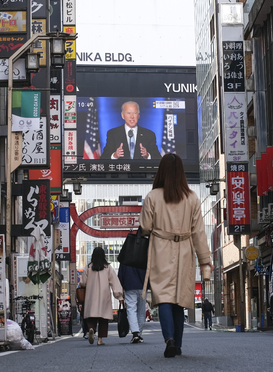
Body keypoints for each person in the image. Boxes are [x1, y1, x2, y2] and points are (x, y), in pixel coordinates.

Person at [140, 153, 213, 358]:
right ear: (181, 172)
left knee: (163, 297)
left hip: (160, 249)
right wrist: (205, 260)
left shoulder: (152, 196)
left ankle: (169, 339)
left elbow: (145, 227)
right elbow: (199, 232)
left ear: (161, 171)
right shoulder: (192, 198)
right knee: (179, 299)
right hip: (185, 251)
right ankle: (178, 345)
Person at [80, 247, 124, 346]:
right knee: (103, 318)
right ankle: (100, 339)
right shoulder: (108, 268)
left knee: (91, 316)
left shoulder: (88, 267)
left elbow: (83, 282)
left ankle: (91, 329)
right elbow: (115, 282)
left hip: (91, 296)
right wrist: (119, 296)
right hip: (104, 296)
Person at [117, 264, 147, 343]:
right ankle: (139, 333)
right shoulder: (143, 255)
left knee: (131, 309)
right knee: (141, 310)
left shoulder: (125, 259)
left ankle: (135, 333)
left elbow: (120, 275)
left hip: (129, 285)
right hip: (143, 285)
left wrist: (121, 289)